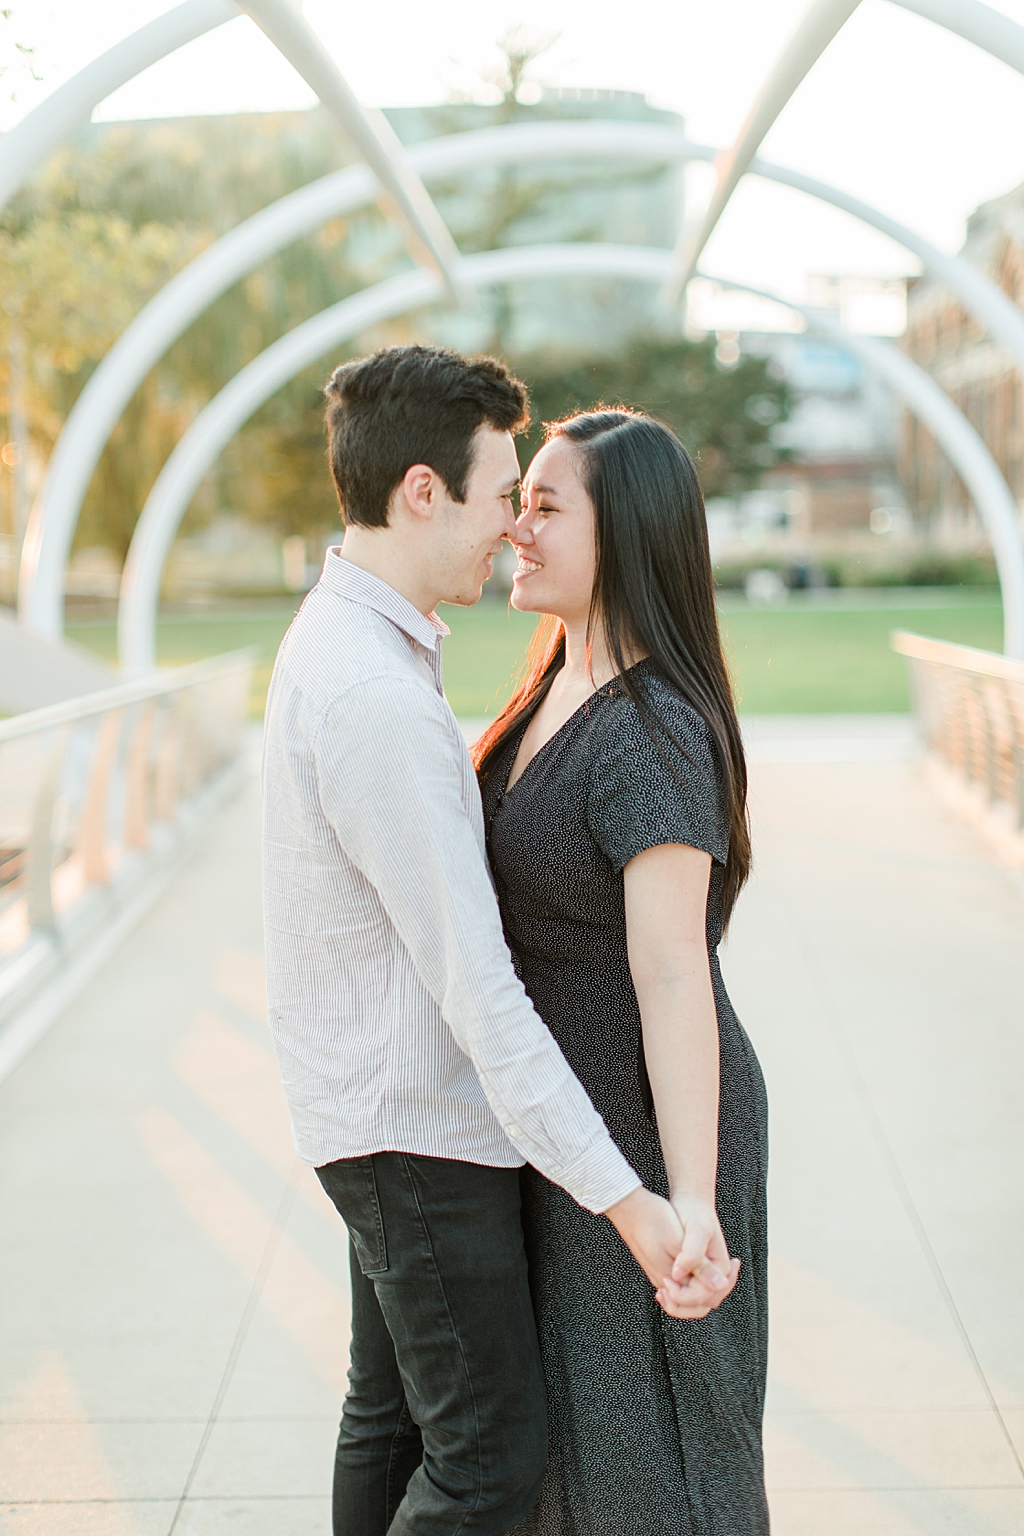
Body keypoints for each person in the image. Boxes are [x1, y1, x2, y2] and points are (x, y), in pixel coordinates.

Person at [260, 347, 713, 1536]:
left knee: (392, 1419)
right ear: (423, 492)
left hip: (376, 1111)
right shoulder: (373, 698)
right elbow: (481, 992)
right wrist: (630, 1200)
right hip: (415, 1134)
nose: (511, 527)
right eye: (503, 494)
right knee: (488, 1460)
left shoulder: (356, 646)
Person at [474, 409, 769, 1535]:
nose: (518, 530)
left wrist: (688, 1201)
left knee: (657, 1461)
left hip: (652, 1131)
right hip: (573, 1131)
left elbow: (672, 975)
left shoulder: (650, 731)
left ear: (629, 535)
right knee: (580, 1456)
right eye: (518, 504)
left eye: (547, 508)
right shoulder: (553, 680)